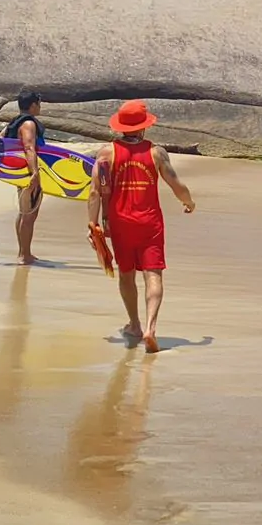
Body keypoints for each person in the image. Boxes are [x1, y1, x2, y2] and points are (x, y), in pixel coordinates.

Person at [86, 100, 196, 354]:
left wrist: (93, 226)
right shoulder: (156, 153)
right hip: (150, 222)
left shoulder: (106, 154)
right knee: (153, 274)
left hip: (119, 222)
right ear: (144, 127)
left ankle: (134, 325)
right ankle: (150, 327)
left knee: (126, 274)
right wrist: (189, 202)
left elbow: (95, 192)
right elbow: (176, 184)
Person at [4, 91, 46, 265]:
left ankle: (23, 251)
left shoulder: (13, 123)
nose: (40, 107)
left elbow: (1, 141)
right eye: (39, 103)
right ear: (33, 105)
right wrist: (34, 173)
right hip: (29, 173)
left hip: (19, 173)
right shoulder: (28, 124)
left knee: (24, 212)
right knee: (29, 214)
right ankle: (24, 255)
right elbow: (29, 147)